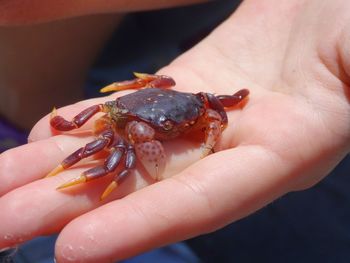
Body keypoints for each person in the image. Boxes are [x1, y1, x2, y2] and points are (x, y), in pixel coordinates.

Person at [0, 0, 349, 262]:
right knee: (113, 162)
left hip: (169, 86)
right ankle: (65, 173)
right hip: (131, 110)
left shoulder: (195, 103)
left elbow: (218, 107)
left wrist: (211, 129)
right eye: (168, 129)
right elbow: (95, 133)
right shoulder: (122, 118)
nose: (175, 130)